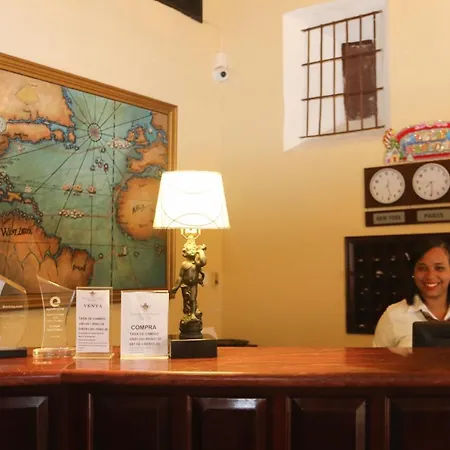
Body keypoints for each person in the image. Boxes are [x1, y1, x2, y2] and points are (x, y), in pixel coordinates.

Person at [373, 238, 450, 347]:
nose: (430, 276)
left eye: (439, 268)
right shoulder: (393, 315)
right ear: (413, 272)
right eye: (422, 268)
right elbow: (378, 357)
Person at [170, 239, 207, 321]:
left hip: (193, 284)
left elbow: (203, 261)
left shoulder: (196, 263)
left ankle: (193, 313)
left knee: (193, 299)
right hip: (185, 285)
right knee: (186, 299)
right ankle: (188, 313)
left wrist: (200, 251)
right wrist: (175, 287)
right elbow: (180, 277)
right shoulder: (184, 264)